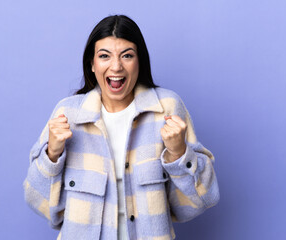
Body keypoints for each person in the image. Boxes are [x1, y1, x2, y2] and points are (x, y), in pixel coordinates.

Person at [24, 15, 219, 240]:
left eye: (127, 55)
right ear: (92, 64)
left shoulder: (167, 109)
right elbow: (37, 200)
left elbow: (203, 198)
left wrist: (179, 154)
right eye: (104, 56)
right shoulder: (68, 114)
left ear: (140, 61)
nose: (116, 66)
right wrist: (52, 154)